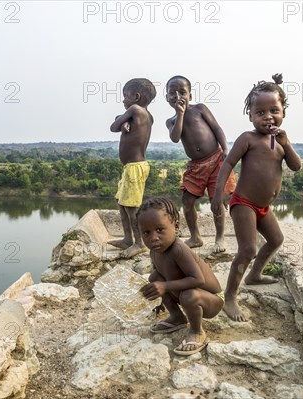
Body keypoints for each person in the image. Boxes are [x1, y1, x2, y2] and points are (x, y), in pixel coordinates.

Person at [211, 74, 302, 322]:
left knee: (275, 239)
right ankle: (229, 296)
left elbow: (295, 166)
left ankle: (255, 275)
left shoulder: (280, 142)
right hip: (244, 203)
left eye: (274, 110)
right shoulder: (248, 139)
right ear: (250, 115)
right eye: (260, 112)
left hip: (263, 206)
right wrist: (218, 194)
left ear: (283, 112)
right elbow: (228, 163)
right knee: (247, 249)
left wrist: (287, 143)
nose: (267, 116)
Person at [138, 197, 224, 356]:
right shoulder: (155, 251)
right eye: (146, 232)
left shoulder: (179, 249)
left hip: (212, 300)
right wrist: (159, 295)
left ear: (175, 226)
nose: (153, 238)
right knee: (154, 277)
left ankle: (197, 331)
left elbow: (198, 280)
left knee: (188, 295)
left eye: (159, 230)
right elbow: (162, 276)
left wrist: (164, 287)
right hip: (186, 294)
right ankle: (177, 317)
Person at [165, 75, 236, 253]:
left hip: (216, 159)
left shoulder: (200, 109)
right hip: (196, 166)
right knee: (187, 200)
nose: (178, 95)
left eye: (182, 92)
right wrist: (180, 114)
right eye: (172, 93)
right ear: (167, 97)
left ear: (190, 94)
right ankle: (195, 237)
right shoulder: (171, 121)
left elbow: (217, 128)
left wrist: (226, 149)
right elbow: (175, 138)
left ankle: (220, 238)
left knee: (216, 200)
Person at [107, 78, 156, 258]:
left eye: (125, 96)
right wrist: (124, 122)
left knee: (132, 208)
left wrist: (121, 122)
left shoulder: (134, 110)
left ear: (136, 96)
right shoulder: (145, 114)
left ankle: (139, 243)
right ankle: (127, 239)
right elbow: (120, 121)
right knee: (122, 203)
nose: (123, 100)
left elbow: (113, 127)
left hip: (135, 168)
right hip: (132, 167)